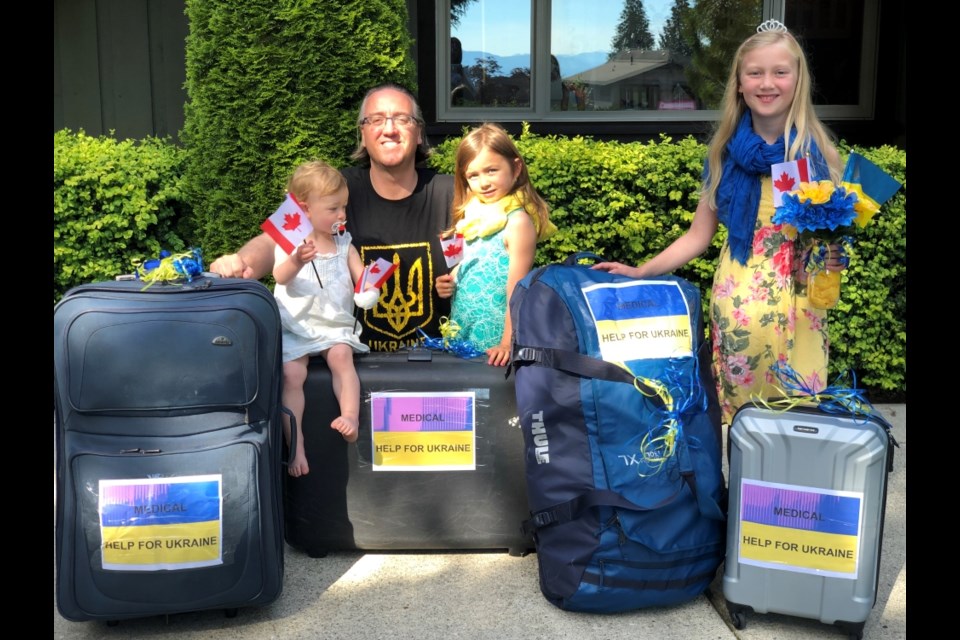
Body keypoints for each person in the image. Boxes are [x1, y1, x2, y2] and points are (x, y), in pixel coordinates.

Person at [593, 21, 844, 424]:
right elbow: (698, 236)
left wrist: (835, 254)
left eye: (780, 72)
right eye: (755, 72)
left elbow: (833, 234)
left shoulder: (817, 155)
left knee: (800, 418)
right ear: (739, 84)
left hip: (802, 308)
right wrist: (640, 271)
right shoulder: (724, 155)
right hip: (740, 304)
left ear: (798, 81)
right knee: (743, 422)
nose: (767, 83)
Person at [210, 85, 455, 352]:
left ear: (419, 132)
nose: (389, 129)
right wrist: (240, 262)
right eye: (376, 119)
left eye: (402, 119)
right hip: (348, 359)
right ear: (362, 134)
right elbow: (273, 242)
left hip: (437, 363)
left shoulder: (451, 193)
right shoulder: (334, 192)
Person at [273, 161, 378, 477]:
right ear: (304, 209)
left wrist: (369, 286)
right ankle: (297, 444)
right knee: (291, 375)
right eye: (333, 208)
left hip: (332, 323)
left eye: (344, 207)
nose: (342, 215)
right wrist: (295, 260)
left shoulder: (344, 242)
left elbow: (362, 276)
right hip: (297, 323)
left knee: (342, 357)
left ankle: (350, 418)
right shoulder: (291, 240)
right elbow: (280, 276)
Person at [438, 123, 555, 367]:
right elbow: (470, 270)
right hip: (463, 336)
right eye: (473, 175)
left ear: (516, 167)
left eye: (492, 170)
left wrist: (508, 342)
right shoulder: (471, 219)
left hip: (495, 347)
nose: (484, 183)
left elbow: (517, 289)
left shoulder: (517, 222)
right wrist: (448, 284)